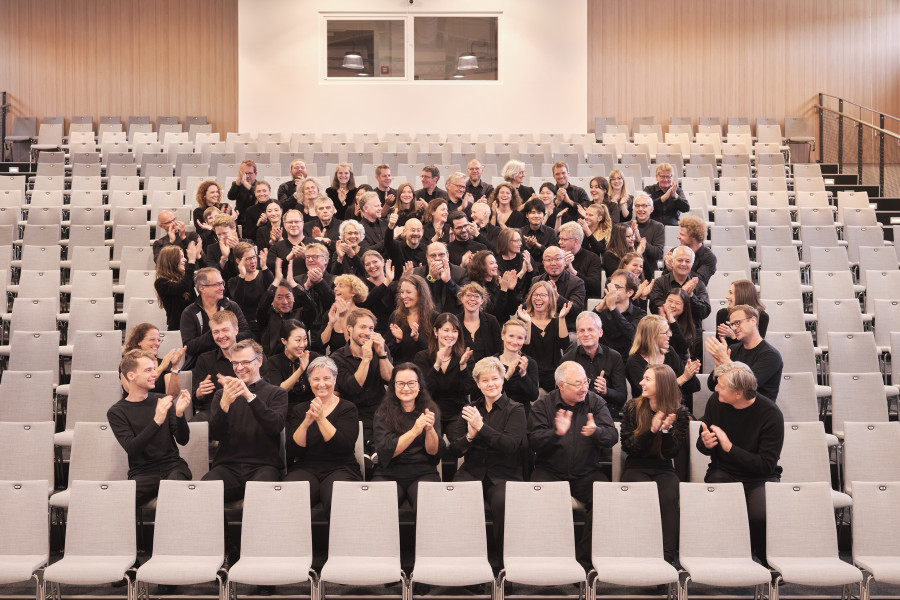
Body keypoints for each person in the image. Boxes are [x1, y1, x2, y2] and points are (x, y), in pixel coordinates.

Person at [528, 360, 618, 560]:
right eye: (577, 384)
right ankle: (551, 559)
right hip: (549, 471)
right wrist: (555, 433)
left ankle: (584, 561)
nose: (584, 387)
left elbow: (612, 437)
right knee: (538, 495)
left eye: (585, 381)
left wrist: (597, 431)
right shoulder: (543, 405)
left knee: (605, 498)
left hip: (586, 472)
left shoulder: (594, 402)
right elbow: (533, 441)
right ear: (561, 385)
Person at [697, 361, 784, 564]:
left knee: (760, 514)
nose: (715, 387)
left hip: (760, 476)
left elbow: (765, 465)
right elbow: (702, 445)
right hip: (724, 470)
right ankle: (727, 559)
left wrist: (729, 448)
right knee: (722, 506)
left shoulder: (771, 414)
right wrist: (706, 444)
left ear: (738, 393)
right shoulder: (716, 401)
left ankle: (765, 561)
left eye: (721, 386)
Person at [448, 356, 526, 560]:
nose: (490, 384)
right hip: (472, 470)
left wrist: (481, 427)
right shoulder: (470, 409)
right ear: (478, 384)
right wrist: (470, 436)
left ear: (502, 380)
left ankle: (503, 565)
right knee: (457, 498)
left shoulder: (515, 409)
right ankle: (465, 563)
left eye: (495, 378)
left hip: (504, 473)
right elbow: (455, 450)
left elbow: (510, 446)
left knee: (503, 503)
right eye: (485, 380)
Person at [620, 363, 690, 564]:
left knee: (669, 499)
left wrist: (666, 431)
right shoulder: (632, 407)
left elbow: (672, 453)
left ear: (662, 385)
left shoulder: (680, 412)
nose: (641, 382)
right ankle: (642, 557)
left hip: (663, 468)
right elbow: (629, 447)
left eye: (647, 379)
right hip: (636, 466)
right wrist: (650, 431)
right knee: (643, 498)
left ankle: (667, 560)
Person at [203, 339, 288, 502]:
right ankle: (224, 529)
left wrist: (249, 396)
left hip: (264, 466)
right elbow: (217, 434)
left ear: (260, 361)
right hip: (227, 466)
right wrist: (224, 406)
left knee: (257, 497)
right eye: (235, 363)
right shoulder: (222, 395)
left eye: (245, 362)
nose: (240, 368)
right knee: (204, 494)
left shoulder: (277, 393)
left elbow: (275, 426)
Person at [108, 350, 192, 505]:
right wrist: (156, 421)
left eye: (154, 369)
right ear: (131, 376)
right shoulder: (117, 412)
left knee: (174, 491)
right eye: (148, 370)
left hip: (173, 467)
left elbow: (183, 440)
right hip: (143, 473)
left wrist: (180, 415)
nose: (155, 374)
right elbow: (132, 449)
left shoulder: (163, 400)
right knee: (119, 504)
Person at [284, 356, 362, 511]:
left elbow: (343, 446)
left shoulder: (348, 408)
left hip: (341, 467)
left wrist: (320, 419)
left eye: (327, 378)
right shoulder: (299, 410)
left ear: (335, 379)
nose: (321, 384)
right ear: (309, 381)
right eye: (316, 379)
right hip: (306, 467)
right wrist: (305, 424)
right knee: (290, 499)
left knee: (338, 502)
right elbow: (293, 450)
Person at [372, 363, 444, 509]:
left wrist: (429, 430)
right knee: (379, 504)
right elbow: (387, 451)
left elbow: (433, 452)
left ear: (419, 385)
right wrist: (415, 430)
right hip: (389, 472)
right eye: (401, 384)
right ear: (393, 386)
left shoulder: (431, 409)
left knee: (428, 503)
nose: (406, 388)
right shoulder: (382, 412)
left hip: (423, 471)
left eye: (411, 383)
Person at [331, 308, 393, 446]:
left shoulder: (381, 348)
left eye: (371, 328)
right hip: (353, 411)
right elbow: (353, 387)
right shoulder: (337, 358)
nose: (367, 333)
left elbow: (390, 380)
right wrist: (366, 360)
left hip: (381, 409)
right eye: (362, 327)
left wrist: (382, 354)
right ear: (349, 328)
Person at [705, 305, 784, 400]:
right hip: (730, 407)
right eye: (732, 324)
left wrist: (725, 360)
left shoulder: (771, 355)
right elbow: (711, 386)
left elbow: (747, 387)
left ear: (753, 321)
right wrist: (718, 367)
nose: (733, 328)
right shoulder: (733, 349)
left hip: (756, 411)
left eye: (737, 323)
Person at [414, 313, 476, 432]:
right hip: (430, 411)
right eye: (446, 330)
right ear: (436, 332)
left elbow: (468, 390)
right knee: (434, 446)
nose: (450, 335)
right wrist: (437, 365)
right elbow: (423, 390)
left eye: (454, 331)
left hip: (457, 412)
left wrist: (463, 367)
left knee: (459, 443)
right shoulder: (422, 357)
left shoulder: (465, 357)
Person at [179, 267, 252, 369]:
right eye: (217, 284)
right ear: (202, 288)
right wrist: (215, 334)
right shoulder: (189, 312)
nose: (222, 288)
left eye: (222, 283)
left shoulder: (232, 306)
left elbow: (247, 335)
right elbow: (189, 347)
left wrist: (226, 339)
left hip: (233, 359)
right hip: (202, 364)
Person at [625, 315, 701, 408]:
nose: (670, 334)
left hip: (674, 407)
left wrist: (690, 373)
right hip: (645, 412)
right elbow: (649, 394)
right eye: (665, 332)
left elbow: (692, 388)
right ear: (652, 336)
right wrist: (684, 378)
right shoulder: (634, 362)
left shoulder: (669, 352)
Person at [561, 311, 628, 415]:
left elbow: (622, 397)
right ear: (577, 334)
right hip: (576, 414)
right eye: (582, 330)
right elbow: (560, 393)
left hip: (606, 413)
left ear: (600, 332)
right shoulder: (568, 359)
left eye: (590, 329)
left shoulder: (614, 357)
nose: (586, 334)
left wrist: (606, 391)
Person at [519, 280, 572, 391]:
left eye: (543, 295)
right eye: (535, 295)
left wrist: (562, 318)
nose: (538, 298)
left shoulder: (557, 321)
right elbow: (524, 350)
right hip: (530, 372)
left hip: (552, 373)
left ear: (550, 299)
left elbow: (565, 345)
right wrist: (528, 323)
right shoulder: (523, 320)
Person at [257, 258, 315, 357]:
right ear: (272, 301)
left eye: (288, 296)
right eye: (279, 297)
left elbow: (311, 306)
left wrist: (293, 283)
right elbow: (262, 306)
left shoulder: (301, 315)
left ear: (294, 298)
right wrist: (276, 281)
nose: (284, 302)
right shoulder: (266, 316)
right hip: (272, 363)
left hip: (300, 359)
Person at [261, 319, 322, 412]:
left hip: (312, 408)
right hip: (285, 410)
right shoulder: (274, 361)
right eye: (298, 340)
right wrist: (300, 370)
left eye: (305, 339)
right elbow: (279, 390)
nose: (302, 344)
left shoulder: (313, 357)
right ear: (284, 341)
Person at [190, 310, 240, 422]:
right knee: (195, 423)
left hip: (246, 409)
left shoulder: (253, 356)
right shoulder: (204, 359)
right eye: (216, 332)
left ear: (236, 330)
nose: (221, 336)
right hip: (214, 412)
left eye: (225, 330)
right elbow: (196, 400)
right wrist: (199, 393)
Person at [647, 245, 711, 331]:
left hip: (692, 332)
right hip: (666, 330)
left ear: (692, 264)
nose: (683, 264)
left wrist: (692, 296)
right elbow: (655, 308)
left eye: (687, 261)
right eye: (680, 260)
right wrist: (683, 293)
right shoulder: (660, 282)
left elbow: (704, 313)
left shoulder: (698, 284)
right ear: (672, 262)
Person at [121, 323, 185, 397]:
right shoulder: (127, 363)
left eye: (159, 340)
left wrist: (175, 367)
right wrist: (161, 368)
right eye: (152, 339)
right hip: (135, 407)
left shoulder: (165, 363)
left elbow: (172, 395)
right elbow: (133, 391)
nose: (157, 343)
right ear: (139, 341)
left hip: (160, 406)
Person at [594, 269, 647, 360]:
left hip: (627, 361)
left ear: (629, 292)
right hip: (602, 359)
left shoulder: (640, 314)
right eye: (610, 286)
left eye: (616, 287)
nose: (611, 291)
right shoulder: (602, 310)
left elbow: (632, 335)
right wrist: (598, 310)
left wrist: (613, 308)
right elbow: (584, 326)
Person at [388, 274, 437, 364]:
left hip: (424, 371)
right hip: (401, 371)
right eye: (402, 292)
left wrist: (418, 339)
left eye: (408, 292)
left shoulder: (434, 317)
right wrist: (397, 341)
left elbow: (436, 352)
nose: (404, 296)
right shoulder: (395, 316)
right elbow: (387, 352)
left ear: (420, 293)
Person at [227, 243, 273, 338]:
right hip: (247, 327)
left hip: (269, 323)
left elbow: (274, 293)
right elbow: (238, 302)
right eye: (248, 259)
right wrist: (242, 276)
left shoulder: (264, 274)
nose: (253, 261)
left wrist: (264, 267)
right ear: (238, 261)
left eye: (254, 257)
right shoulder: (234, 281)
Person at [534, 246, 586, 328]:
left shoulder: (577, 282)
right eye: (548, 260)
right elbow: (525, 305)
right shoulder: (536, 280)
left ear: (565, 261)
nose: (553, 263)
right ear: (543, 263)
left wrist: (557, 298)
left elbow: (577, 310)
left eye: (557, 259)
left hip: (566, 327)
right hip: (539, 326)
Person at [495, 318, 539, 413]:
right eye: (511, 336)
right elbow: (488, 395)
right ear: (503, 336)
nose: (515, 342)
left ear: (524, 340)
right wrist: (507, 377)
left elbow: (534, 396)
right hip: (497, 413)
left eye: (520, 338)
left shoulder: (530, 363)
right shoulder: (492, 363)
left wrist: (524, 375)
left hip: (522, 413)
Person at [316, 274, 368, 354]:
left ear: (353, 292)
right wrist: (331, 323)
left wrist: (343, 319)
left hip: (354, 359)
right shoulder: (330, 313)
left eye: (341, 286)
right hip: (334, 360)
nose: (336, 289)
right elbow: (321, 345)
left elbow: (354, 347)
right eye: (336, 286)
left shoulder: (362, 315)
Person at [154, 244, 199, 332]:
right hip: (177, 329)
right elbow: (181, 288)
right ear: (172, 260)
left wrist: (199, 258)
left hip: (194, 325)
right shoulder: (161, 282)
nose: (185, 260)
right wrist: (192, 261)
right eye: (181, 257)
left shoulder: (186, 278)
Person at [466, 249, 518, 323]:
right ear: (481, 266)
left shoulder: (498, 283)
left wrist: (511, 290)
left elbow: (512, 311)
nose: (496, 266)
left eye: (495, 263)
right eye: (491, 263)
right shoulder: (475, 288)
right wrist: (503, 290)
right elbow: (494, 315)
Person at [662, 215, 716, 284]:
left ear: (693, 237)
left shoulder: (709, 258)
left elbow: (698, 282)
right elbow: (663, 281)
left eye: (682, 234)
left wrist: (676, 268)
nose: (678, 237)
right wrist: (669, 269)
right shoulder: (674, 252)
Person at [413, 242, 464, 314]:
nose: (437, 259)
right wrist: (430, 278)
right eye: (433, 255)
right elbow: (413, 296)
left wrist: (449, 282)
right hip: (424, 318)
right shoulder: (417, 272)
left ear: (447, 256)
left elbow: (466, 297)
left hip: (452, 319)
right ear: (427, 257)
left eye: (441, 255)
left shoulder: (460, 272)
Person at [458, 282, 502, 364]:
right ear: (461, 298)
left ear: (482, 301)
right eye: (468, 295)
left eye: (476, 296)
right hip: (462, 369)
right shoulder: (455, 321)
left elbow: (500, 349)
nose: (472, 299)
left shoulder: (491, 320)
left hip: (487, 369)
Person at [557, 221, 605, 298]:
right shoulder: (556, 255)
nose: (559, 242)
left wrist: (572, 271)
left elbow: (596, 287)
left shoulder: (592, 258)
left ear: (576, 241)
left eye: (563, 239)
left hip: (582, 300)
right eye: (560, 239)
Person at [631, 192, 666, 282]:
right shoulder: (627, 226)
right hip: (630, 273)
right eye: (637, 206)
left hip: (650, 273)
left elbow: (658, 253)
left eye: (644, 206)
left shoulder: (658, 227)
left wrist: (641, 241)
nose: (640, 209)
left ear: (652, 209)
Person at [659, 288, 700, 362]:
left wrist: (672, 320)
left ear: (684, 307)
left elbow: (682, 349)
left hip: (678, 364)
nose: (672, 305)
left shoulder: (689, 328)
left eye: (677, 303)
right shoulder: (656, 322)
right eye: (670, 301)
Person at [268, 209, 312, 276]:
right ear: (285, 225)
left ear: (302, 223)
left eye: (297, 222)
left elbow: (324, 266)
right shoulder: (276, 247)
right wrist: (287, 259)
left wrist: (308, 257)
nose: (293, 225)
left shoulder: (315, 244)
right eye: (290, 222)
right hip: (285, 285)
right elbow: (270, 271)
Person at [205, 214, 242, 282]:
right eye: (219, 234)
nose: (222, 237)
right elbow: (211, 276)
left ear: (234, 229)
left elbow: (251, 270)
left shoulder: (246, 243)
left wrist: (237, 250)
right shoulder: (211, 249)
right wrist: (224, 258)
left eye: (225, 233)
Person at [241, 180, 273, 244]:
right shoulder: (250, 210)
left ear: (269, 191)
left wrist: (268, 222)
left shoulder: (276, 207)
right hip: (257, 243)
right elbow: (249, 236)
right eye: (258, 191)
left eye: (264, 191)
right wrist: (258, 225)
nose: (261, 194)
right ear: (255, 193)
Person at [227, 160, 258, 226]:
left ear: (255, 174)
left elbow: (257, 194)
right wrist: (237, 184)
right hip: (239, 220)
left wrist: (245, 183)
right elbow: (231, 197)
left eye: (250, 173)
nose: (247, 176)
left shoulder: (260, 186)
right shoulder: (237, 184)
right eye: (245, 173)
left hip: (255, 220)